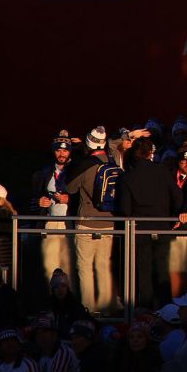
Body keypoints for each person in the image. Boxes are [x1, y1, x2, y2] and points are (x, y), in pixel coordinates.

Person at [119, 135, 183, 307]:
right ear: (150, 153)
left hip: (139, 229)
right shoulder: (162, 171)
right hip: (162, 226)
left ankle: (146, 312)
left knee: (143, 273)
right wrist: (173, 215)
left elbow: (125, 209)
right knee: (162, 271)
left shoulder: (128, 177)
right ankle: (166, 310)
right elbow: (177, 196)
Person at [65, 126, 119, 314]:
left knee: (85, 267)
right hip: (110, 222)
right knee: (104, 266)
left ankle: (89, 309)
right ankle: (106, 309)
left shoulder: (85, 163)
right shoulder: (113, 162)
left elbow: (70, 188)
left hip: (87, 220)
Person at [31, 136, 75, 293]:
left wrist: (70, 199)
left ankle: (69, 302)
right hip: (49, 222)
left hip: (69, 224)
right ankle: (50, 300)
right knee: (49, 266)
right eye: (58, 150)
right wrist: (39, 201)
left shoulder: (75, 170)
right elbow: (33, 196)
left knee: (68, 267)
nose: (61, 154)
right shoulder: (44, 171)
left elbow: (84, 196)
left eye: (65, 150)